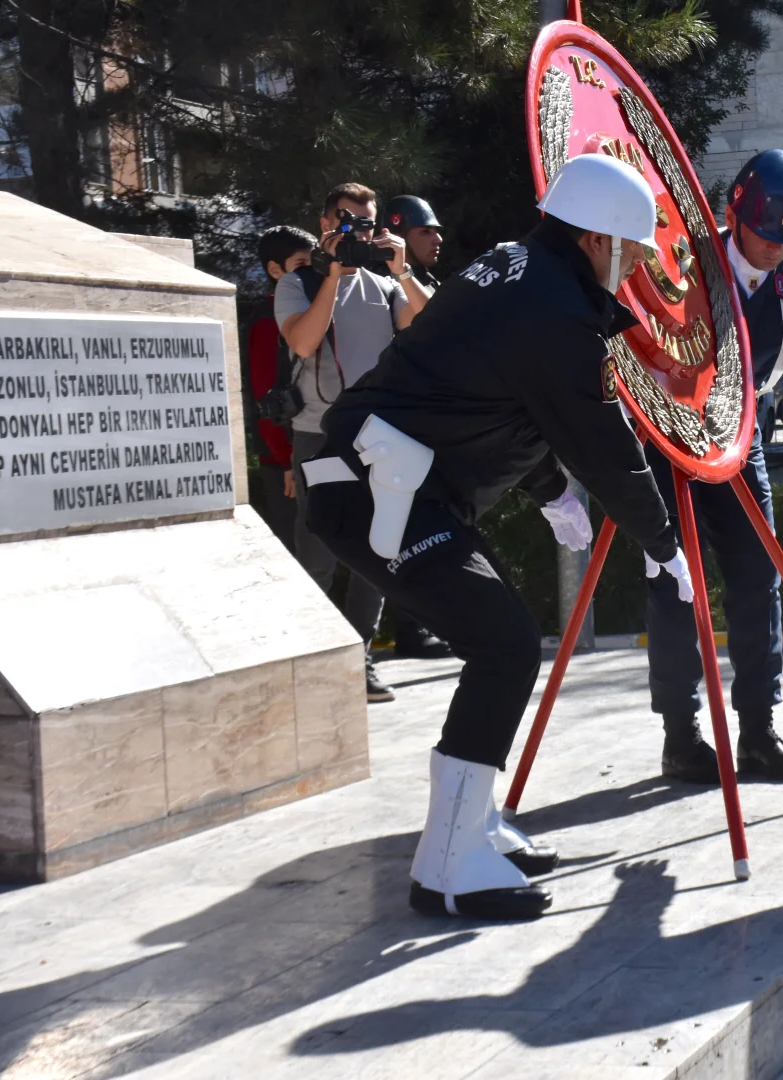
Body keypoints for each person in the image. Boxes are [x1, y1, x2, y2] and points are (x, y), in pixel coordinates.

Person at [302, 153, 695, 920]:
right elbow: (598, 438)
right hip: (376, 491)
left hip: (388, 485)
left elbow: (494, 397)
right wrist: (664, 540)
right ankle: (448, 864)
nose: (639, 268)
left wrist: (551, 492)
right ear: (595, 241)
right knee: (505, 643)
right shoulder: (553, 306)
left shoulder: (515, 269)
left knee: (502, 635)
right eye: (635, 252)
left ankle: (473, 825)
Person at [648, 149, 783, 785]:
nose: (771, 250)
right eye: (762, 237)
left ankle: (758, 729)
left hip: (740, 433)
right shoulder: (685, 259)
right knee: (677, 583)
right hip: (668, 428)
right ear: (735, 216)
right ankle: (680, 734)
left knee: (759, 579)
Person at [277, 182, 434, 701]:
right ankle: (313, 664)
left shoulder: (384, 283)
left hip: (378, 437)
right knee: (318, 553)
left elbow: (429, 326)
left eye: (365, 224)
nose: (356, 232)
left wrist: (404, 272)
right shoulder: (298, 283)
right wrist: (333, 277)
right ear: (325, 223)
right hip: (318, 438)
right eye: (345, 222)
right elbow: (302, 340)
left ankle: (359, 659)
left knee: (378, 552)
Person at [381, 193, 455, 660]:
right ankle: (395, 633)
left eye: (436, 230)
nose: (437, 237)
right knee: (394, 534)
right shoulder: (391, 282)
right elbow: (430, 320)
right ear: (400, 234)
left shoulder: (420, 279)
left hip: (424, 426)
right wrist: (403, 273)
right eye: (426, 230)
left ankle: (417, 625)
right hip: (391, 427)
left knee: (419, 531)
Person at [247, 225, 315, 551]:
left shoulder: (310, 310)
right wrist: (287, 459)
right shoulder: (267, 322)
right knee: (300, 560)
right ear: (275, 270)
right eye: (302, 264)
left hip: (307, 455)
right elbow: (267, 396)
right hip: (284, 464)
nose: (312, 271)